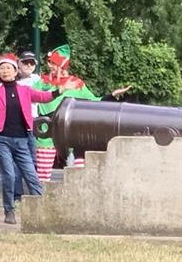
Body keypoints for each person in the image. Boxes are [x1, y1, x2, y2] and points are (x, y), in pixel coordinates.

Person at [0, 53, 64, 224]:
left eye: (8, 68)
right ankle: (9, 210)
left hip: (23, 139)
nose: (5, 71)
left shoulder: (25, 91)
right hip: (1, 139)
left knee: (32, 175)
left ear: (16, 71)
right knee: (9, 175)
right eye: (2, 68)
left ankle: (43, 210)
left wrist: (57, 92)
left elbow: (43, 96)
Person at [32, 45, 130, 181]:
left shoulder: (77, 84)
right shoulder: (42, 83)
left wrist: (112, 95)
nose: (50, 66)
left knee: (77, 169)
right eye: (50, 63)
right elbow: (28, 95)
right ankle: (41, 198)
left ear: (63, 66)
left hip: (69, 132)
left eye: (53, 63)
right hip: (47, 129)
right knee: (42, 175)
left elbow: (93, 101)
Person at [13, 51, 40, 201]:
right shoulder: (15, 83)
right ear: (19, 64)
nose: (29, 65)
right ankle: (17, 195)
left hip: (33, 123)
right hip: (19, 124)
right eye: (25, 62)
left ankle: (34, 194)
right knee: (18, 161)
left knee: (33, 160)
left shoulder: (38, 80)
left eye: (32, 63)